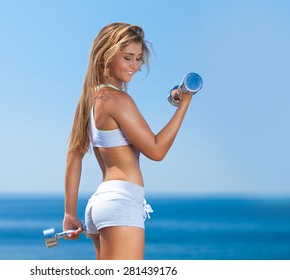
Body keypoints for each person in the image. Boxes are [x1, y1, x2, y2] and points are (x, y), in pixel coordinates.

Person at [63, 22, 193, 260]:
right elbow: (156, 150)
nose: (134, 65)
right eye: (127, 58)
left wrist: (69, 213)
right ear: (107, 56)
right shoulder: (117, 99)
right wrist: (185, 104)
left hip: (100, 204)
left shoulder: (90, 100)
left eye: (138, 59)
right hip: (121, 203)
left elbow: (73, 155)